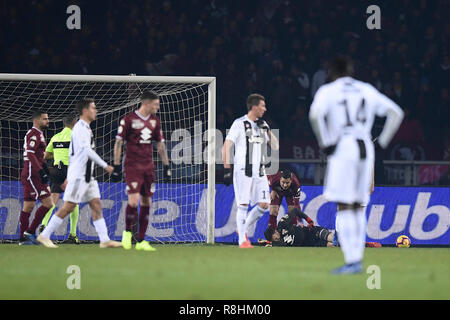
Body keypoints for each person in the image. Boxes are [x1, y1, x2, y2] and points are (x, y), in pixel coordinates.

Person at [309, 56, 403, 274]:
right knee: (359, 205)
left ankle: (352, 261)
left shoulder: (328, 91)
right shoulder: (366, 89)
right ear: (351, 71)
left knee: (344, 205)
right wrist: (383, 143)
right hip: (365, 148)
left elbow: (315, 115)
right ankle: (356, 258)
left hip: (343, 148)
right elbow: (396, 113)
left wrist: (325, 143)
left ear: (332, 73)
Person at [37, 98, 122, 248]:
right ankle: (44, 235)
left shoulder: (85, 128)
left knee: (96, 205)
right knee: (68, 206)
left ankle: (104, 240)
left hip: (87, 176)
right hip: (79, 176)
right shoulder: (80, 128)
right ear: (85, 111)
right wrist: (106, 166)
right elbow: (86, 150)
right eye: (93, 108)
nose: (96, 110)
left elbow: (72, 154)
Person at [112, 91, 171, 251]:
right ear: (146, 103)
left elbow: (160, 145)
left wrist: (166, 166)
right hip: (132, 165)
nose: (158, 107)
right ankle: (127, 233)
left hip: (148, 166)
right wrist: (117, 165)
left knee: (147, 201)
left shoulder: (155, 121)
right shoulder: (129, 119)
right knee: (133, 200)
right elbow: (118, 142)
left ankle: (141, 241)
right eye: (156, 104)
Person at [222, 93, 279, 248]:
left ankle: (241, 229)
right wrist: (227, 169)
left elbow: (275, 146)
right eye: (262, 106)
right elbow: (227, 146)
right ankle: (242, 241)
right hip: (243, 171)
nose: (265, 109)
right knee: (243, 204)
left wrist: (266, 130)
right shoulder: (239, 123)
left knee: (264, 204)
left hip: (260, 172)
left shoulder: (262, 125)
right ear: (254, 107)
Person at [40, 114, 80, 244]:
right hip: (71, 171)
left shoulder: (56, 137)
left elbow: (45, 155)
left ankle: (44, 225)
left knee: (53, 199)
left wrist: (58, 154)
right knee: (73, 202)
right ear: (75, 123)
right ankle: (72, 235)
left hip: (57, 170)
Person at [19, 110, 54, 245]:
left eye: (47, 118)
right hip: (31, 174)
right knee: (30, 205)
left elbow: (39, 156)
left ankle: (29, 233)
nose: (47, 121)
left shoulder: (39, 134)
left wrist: (45, 169)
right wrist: (41, 171)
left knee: (47, 203)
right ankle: (25, 236)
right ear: (37, 120)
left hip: (37, 173)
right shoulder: (33, 134)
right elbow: (31, 154)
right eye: (45, 119)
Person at [264, 208, 333, 247]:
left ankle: (339, 239)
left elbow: (295, 211)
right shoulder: (280, 244)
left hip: (310, 232)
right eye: (275, 240)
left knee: (331, 238)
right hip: (310, 244)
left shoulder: (282, 224)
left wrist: (309, 220)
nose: (277, 239)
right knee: (332, 246)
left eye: (275, 238)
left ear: (275, 231)